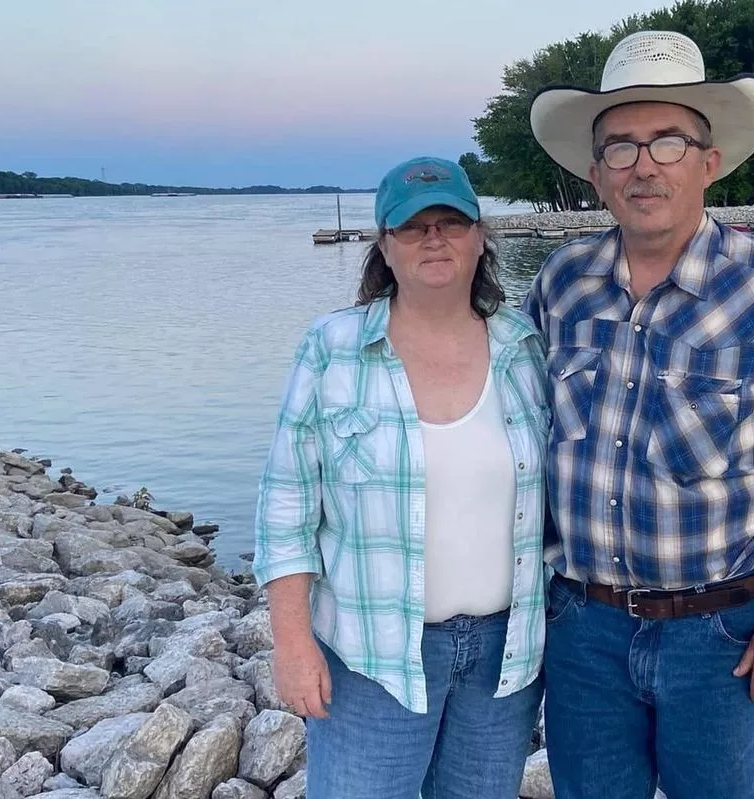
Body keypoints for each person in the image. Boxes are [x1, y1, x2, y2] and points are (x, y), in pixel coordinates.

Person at [522, 31, 754, 799]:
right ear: (595, 173)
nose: (644, 165)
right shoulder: (561, 284)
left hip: (721, 635)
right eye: (620, 147)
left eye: (667, 142)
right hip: (583, 628)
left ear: (708, 163)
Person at [252, 156, 549, 799]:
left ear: (480, 236)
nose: (434, 239)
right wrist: (293, 645)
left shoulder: (524, 346)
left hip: (505, 658)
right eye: (414, 228)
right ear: (385, 246)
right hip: (371, 654)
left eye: (450, 222)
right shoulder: (331, 348)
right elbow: (286, 508)